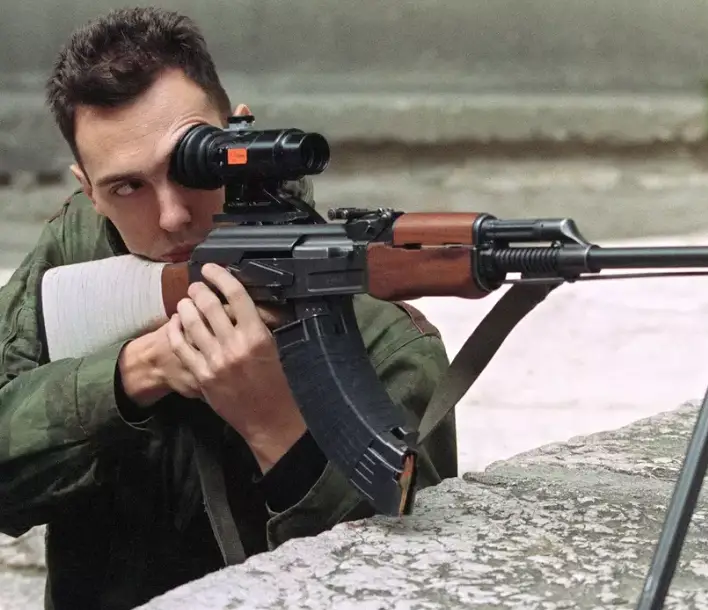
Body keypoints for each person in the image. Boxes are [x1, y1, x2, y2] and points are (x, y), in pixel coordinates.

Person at [0, 6, 458, 610]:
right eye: (127, 187)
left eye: (188, 165)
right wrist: (136, 372)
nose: (170, 216)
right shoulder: (76, 255)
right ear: (87, 189)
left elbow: (411, 581)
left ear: (237, 134)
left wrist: (276, 428)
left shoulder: (385, 343)